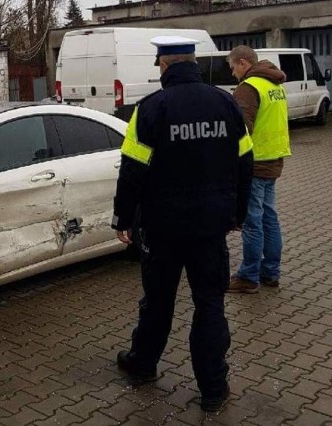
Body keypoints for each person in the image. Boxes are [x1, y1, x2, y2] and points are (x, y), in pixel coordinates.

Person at [112, 36, 254, 413]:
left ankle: (143, 364)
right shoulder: (226, 103)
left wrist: (122, 219)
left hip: (162, 230)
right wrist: (237, 213)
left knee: (158, 302)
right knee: (209, 305)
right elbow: (245, 163)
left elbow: (132, 172)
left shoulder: (150, 109)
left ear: (163, 65)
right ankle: (212, 389)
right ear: (192, 62)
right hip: (211, 229)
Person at [226, 45, 291, 294]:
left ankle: (248, 276)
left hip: (254, 163)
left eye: (233, 67)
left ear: (243, 63)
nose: (233, 74)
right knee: (269, 218)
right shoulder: (274, 84)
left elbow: (240, 130)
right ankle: (270, 272)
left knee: (252, 221)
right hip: (274, 159)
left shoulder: (249, 87)